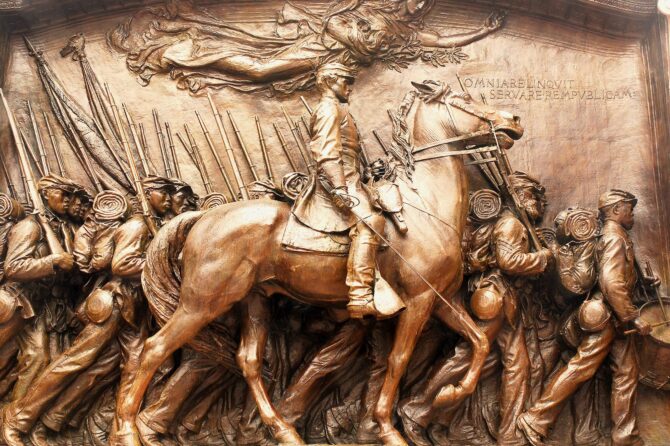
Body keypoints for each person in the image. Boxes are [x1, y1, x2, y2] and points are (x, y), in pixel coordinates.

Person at [2, 178, 173, 446]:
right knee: (74, 361)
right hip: (113, 301)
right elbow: (120, 264)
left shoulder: (152, 225)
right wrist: (165, 262)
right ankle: (18, 418)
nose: (174, 201)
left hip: (136, 308)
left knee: (130, 367)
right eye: (169, 194)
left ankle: (115, 431)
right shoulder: (135, 226)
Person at [398, 177, 553, 446]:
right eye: (532, 195)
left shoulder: (515, 224)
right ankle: (417, 410)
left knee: (514, 364)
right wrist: (543, 258)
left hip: (507, 302)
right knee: (469, 357)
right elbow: (509, 262)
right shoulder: (510, 224)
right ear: (516, 196)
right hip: (495, 297)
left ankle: (503, 433)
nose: (538, 202)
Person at [108, 0, 504, 94]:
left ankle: (194, 56)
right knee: (261, 69)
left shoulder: (406, 33)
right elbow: (335, 22)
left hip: (329, 58)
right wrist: (356, 41)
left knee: (261, 69)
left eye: (422, 4)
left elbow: (445, 39)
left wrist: (481, 32)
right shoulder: (369, 8)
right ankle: (190, 53)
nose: (416, 4)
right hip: (319, 50)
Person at [518, 189, 655, 446]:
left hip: (614, 318)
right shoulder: (614, 238)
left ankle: (625, 436)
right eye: (628, 208)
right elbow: (611, 282)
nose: (632, 213)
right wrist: (632, 317)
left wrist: (642, 281)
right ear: (615, 210)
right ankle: (536, 418)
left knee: (625, 374)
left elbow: (620, 276)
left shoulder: (613, 236)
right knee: (582, 368)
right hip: (609, 317)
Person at [292, 62, 393, 319]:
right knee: (371, 221)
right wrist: (340, 189)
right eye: (345, 81)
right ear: (329, 81)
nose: (349, 87)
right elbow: (327, 154)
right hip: (336, 182)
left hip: (350, 179)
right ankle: (359, 295)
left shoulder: (338, 109)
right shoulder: (328, 108)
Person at [0, 175, 75, 408]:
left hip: (32, 307)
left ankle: (11, 419)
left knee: (37, 357)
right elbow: (14, 267)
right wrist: (52, 261)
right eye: (63, 193)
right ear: (45, 195)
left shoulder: (55, 228)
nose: (69, 200)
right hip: (13, 300)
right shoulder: (30, 227)